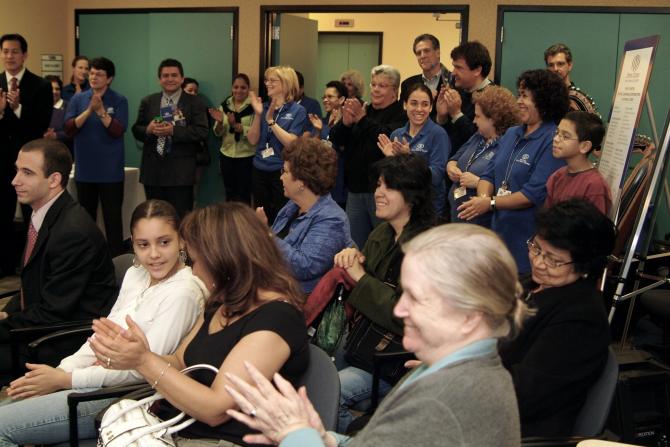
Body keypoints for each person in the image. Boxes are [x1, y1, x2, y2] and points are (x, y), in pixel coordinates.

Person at [225, 223, 530, 447]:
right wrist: (327, 440)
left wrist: (297, 434)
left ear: (469, 317)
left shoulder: (446, 399)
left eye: (416, 297)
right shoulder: (461, 373)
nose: (399, 311)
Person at [89, 202, 310, 446]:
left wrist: (144, 361)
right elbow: (180, 362)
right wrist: (135, 352)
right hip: (178, 427)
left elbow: (216, 410)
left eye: (195, 261)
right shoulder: (223, 304)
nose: (194, 272)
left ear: (223, 260)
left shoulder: (277, 319)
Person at [0, 199, 206, 446]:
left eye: (164, 242)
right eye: (143, 245)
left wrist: (66, 380)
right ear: (132, 243)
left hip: (126, 397)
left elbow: (145, 372)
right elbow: (101, 336)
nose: (153, 254)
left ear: (181, 240)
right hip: (95, 380)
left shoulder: (183, 292)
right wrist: (61, 370)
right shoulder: (136, 274)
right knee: (7, 408)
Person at [333, 154, 434, 432]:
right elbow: (366, 275)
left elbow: (408, 315)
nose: (378, 193)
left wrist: (361, 278)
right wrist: (352, 256)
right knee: (318, 382)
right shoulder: (383, 233)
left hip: (397, 358)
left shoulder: (427, 247)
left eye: (388, 187)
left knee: (332, 394)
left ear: (411, 196)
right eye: (378, 185)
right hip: (362, 343)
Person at [0, 139, 117, 380]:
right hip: (40, 326)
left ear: (54, 180)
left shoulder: (72, 231)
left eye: (27, 173)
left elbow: (54, 311)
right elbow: (32, 283)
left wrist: (7, 322)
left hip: (59, 340)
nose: (15, 181)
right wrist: (6, 314)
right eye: (16, 170)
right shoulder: (45, 214)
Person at [499, 199, 615, 437]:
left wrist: (462, 377)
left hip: (520, 428)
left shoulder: (581, 318)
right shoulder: (528, 284)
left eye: (554, 260)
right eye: (536, 248)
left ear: (584, 266)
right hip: (487, 401)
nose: (539, 263)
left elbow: (525, 394)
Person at [457, 69, 569, 274]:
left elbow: (533, 194)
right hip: (499, 232)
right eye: (519, 94)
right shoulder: (511, 133)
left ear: (544, 101)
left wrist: (489, 203)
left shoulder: (552, 139)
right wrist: (483, 199)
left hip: (528, 239)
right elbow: (488, 175)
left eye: (525, 96)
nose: (519, 101)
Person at [258, 136, 353, 294]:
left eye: (285, 172)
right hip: (277, 288)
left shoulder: (332, 219)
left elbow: (305, 266)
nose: (280, 177)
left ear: (302, 182)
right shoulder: (292, 206)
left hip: (300, 300)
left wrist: (266, 234)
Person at [330, 65, 407, 249]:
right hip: (355, 191)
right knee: (355, 246)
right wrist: (346, 124)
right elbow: (336, 139)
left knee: (383, 245)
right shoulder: (364, 109)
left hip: (382, 192)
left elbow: (385, 137)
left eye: (382, 85)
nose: (376, 89)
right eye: (373, 84)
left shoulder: (400, 114)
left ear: (394, 91)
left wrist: (362, 119)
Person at [0, 33, 53, 278]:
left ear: (24, 54)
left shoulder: (39, 85)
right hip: (1, 161)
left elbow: (40, 126)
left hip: (29, 162)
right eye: (5, 51)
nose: (9, 56)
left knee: (33, 214)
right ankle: (4, 265)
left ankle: (31, 263)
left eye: (14, 51)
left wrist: (17, 108)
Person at [64, 57, 128, 257]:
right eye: (91, 73)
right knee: (85, 220)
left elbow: (118, 130)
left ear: (109, 78)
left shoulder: (119, 100)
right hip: (85, 171)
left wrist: (101, 112)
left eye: (99, 74)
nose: (93, 77)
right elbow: (69, 129)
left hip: (110, 172)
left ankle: (116, 260)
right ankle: (88, 258)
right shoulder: (78, 99)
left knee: (112, 220)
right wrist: (90, 110)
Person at [132, 58, 209, 218]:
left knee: (180, 219)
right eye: (165, 76)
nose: (170, 79)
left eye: (174, 75)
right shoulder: (148, 101)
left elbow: (201, 131)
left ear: (181, 78)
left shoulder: (195, 102)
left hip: (180, 173)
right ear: (159, 79)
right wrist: (148, 129)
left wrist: (173, 131)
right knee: (155, 218)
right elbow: (136, 129)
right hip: (153, 172)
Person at [447, 85, 520, 227]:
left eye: (478, 116)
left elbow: (509, 188)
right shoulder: (478, 136)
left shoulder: (507, 145)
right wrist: (451, 167)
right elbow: (455, 158)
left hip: (481, 223)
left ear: (493, 118)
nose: (474, 121)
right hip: (457, 218)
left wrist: (478, 182)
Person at [248, 66, 307, 224]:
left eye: (272, 80)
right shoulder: (264, 107)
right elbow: (252, 140)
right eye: (266, 80)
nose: (267, 83)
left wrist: (271, 122)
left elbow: (291, 143)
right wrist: (259, 115)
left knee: (282, 217)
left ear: (286, 84)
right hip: (259, 168)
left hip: (282, 171)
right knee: (261, 217)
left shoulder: (297, 110)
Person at [378, 83, 449, 215]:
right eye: (414, 103)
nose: (419, 109)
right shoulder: (396, 135)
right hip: (401, 208)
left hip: (429, 210)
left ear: (431, 107)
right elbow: (393, 178)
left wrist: (410, 158)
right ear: (405, 105)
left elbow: (436, 177)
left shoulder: (438, 134)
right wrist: (391, 160)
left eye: (425, 104)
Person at [546, 111, 611, 215]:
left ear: (584, 146)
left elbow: (594, 228)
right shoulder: (557, 176)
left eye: (565, 136)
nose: (556, 139)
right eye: (557, 133)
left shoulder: (594, 186)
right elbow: (546, 219)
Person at [436, 40, 493, 153]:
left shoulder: (494, 98)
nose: (453, 73)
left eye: (459, 68)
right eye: (453, 67)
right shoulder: (456, 91)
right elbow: (445, 138)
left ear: (477, 70)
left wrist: (457, 114)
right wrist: (441, 117)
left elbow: (481, 140)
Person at [210, 73, 255, 204]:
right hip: (227, 155)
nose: (239, 90)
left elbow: (258, 132)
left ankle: (244, 223)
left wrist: (240, 127)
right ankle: (230, 222)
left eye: (243, 87)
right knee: (229, 193)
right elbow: (217, 133)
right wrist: (219, 122)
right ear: (232, 88)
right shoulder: (224, 105)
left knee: (244, 194)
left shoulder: (255, 106)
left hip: (247, 156)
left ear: (248, 89)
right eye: (236, 87)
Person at [307, 80, 348, 207]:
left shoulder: (347, 124)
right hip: (323, 180)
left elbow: (343, 148)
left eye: (330, 97)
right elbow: (313, 151)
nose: (325, 100)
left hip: (341, 181)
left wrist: (337, 127)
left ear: (341, 99)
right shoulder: (322, 122)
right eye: (324, 97)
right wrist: (318, 131)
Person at [399, 33, 451, 110]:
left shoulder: (454, 80)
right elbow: (402, 117)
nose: (422, 56)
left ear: (438, 53)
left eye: (426, 51)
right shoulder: (408, 84)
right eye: (418, 53)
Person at [544, 43, 598, 114]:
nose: (555, 69)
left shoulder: (578, 99)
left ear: (569, 66)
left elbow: (593, 124)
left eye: (560, 64)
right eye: (551, 65)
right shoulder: (545, 97)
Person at [42, 75, 73, 153]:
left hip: (63, 152)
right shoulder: (38, 106)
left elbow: (73, 130)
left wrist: (56, 135)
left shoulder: (69, 107)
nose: (54, 91)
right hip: (42, 151)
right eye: (51, 89)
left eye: (57, 89)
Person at [295, 71, 323, 135]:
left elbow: (312, 132)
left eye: (293, 88)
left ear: (301, 89)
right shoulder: (282, 104)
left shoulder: (312, 104)